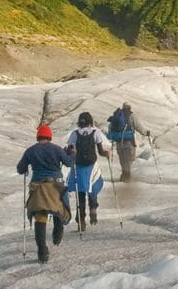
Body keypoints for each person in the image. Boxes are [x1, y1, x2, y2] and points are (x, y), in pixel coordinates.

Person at [16, 124, 73, 263]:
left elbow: (20, 169)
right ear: (50, 136)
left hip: (38, 187)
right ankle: (58, 232)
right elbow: (69, 163)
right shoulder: (57, 149)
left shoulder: (30, 151)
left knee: (40, 216)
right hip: (56, 185)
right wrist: (72, 153)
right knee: (60, 208)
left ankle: (42, 251)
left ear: (38, 136)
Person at [64, 111, 111, 230]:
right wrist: (107, 154)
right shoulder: (96, 132)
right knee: (92, 187)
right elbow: (100, 151)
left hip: (78, 166)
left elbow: (69, 151)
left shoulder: (74, 134)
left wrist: (67, 152)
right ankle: (93, 210)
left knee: (80, 193)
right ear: (90, 120)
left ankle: (81, 221)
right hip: (91, 165)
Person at [107, 102, 149, 181]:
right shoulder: (132, 116)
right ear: (130, 107)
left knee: (123, 162)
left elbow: (110, 127)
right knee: (129, 161)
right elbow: (139, 128)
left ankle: (124, 178)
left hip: (119, 143)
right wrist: (146, 133)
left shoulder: (117, 116)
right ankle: (126, 181)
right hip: (129, 142)